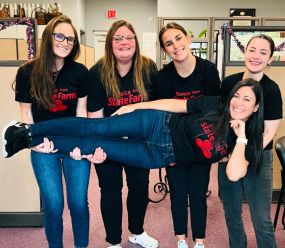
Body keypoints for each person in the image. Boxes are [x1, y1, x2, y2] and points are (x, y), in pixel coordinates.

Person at [4, 79, 263, 189]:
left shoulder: (246, 142)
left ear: (256, 107)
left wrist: (240, 138)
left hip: (156, 156)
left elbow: (233, 174)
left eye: (247, 100)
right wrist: (138, 105)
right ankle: (28, 130)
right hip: (156, 124)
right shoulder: (215, 105)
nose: (238, 102)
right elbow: (175, 104)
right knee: (96, 128)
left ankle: (27, 141)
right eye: (237, 96)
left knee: (94, 145)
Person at [12, 15, 93, 248]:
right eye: (60, 36)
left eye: (70, 38)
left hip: (74, 146)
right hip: (43, 146)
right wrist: (36, 143)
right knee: (54, 204)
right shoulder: (27, 72)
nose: (65, 42)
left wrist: (82, 145)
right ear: (49, 38)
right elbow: (26, 114)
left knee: (78, 202)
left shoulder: (79, 72)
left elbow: (81, 112)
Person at [86, 19, 159, 248]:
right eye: (118, 38)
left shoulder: (148, 68)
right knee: (110, 190)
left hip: (139, 142)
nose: (124, 42)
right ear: (110, 43)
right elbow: (95, 116)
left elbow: (156, 107)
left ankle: (137, 232)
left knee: (139, 188)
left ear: (136, 42)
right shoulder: (97, 73)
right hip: (108, 142)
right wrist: (99, 143)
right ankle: (114, 243)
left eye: (128, 37)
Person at [216, 35, 282, 248]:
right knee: (231, 211)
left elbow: (269, 132)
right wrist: (225, 152)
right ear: (244, 52)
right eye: (252, 49)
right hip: (228, 158)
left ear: (270, 59)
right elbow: (221, 119)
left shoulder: (272, 90)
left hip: (257, 158)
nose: (256, 55)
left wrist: (246, 155)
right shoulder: (230, 83)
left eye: (262, 52)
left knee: (261, 218)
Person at [155, 22, 221, 248]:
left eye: (178, 38)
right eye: (168, 43)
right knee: (177, 196)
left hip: (200, 145)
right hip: (173, 146)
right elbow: (161, 114)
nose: (175, 46)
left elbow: (213, 110)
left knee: (198, 195)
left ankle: (200, 243)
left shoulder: (208, 70)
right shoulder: (162, 77)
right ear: (165, 49)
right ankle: (181, 241)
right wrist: (163, 149)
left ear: (189, 38)